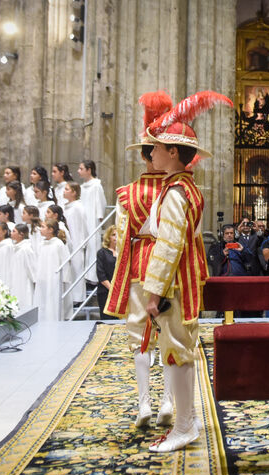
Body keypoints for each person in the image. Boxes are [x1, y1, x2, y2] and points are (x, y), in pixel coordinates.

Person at [140, 90, 231, 452]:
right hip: (184, 279)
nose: (152, 154)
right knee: (180, 351)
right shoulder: (184, 187)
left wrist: (154, 291)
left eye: (157, 148)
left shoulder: (176, 192)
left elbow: (169, 245)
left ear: (174, 152)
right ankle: (185, 421)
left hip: (175, 283)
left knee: (176, 352)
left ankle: (184, 425)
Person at [104, 91, 176, 429]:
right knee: (169, 334)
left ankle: (144, 404)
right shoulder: (176, 190)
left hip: (136, 266)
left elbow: (121, 237)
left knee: (139, 336)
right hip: (168, 267)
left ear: (143, 156)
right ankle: (168, 402)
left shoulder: (126, 194)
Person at [32, 219, 73, 321]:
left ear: (50, 230)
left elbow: (65, 262)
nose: (40, 229)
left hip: (54, 279)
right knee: (41, 300)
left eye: (43, 227)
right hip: (42, 278)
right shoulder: (41, 244)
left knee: (53, 302)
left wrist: (65, 279)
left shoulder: (58, 244)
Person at [79, 160, 108, 282]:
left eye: (81, 168)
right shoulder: (82, 187)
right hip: (83, 219)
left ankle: (93, 277)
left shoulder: (96, 185)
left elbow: (101, 203)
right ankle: (84, 276)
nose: (78, 171)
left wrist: (99, 219)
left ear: (89, 170)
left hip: (92, 220)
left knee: (92, 246)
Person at [9, 224, 36, 307]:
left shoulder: (26, 248)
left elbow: (31, 266)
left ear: (21, 234)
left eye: (14, 231)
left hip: (24, 281)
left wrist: (34, 280)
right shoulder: (15, 248)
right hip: (16, 280)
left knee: (25, 300)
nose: (11, 233)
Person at [96, 225, 118, 320]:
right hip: (105, 291)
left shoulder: (123, 252)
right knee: (107, 320)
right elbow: (101, 274)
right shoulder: (102, 252)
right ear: (108, 237)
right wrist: (112, 289)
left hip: (119, 292)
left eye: (118, 235)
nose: (116, 237)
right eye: (113, 235)